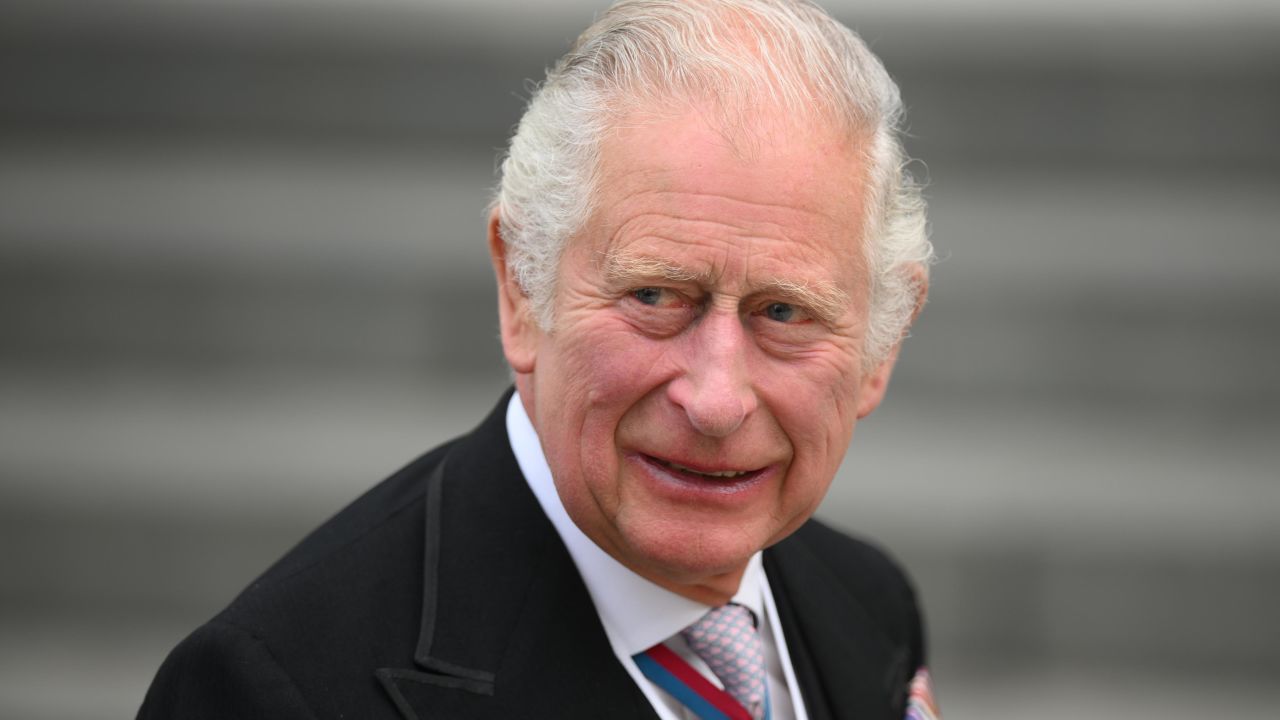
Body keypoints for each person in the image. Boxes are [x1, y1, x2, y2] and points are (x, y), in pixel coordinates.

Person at [137, 1, 938, 718]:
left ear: (880, 347)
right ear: (521, 288)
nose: (717, 398)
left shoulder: (869, 605)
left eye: (784, 312)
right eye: (656, 296)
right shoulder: (274, 692)